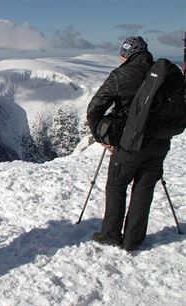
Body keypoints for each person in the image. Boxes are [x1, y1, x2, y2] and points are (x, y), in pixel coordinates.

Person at [87, 36, 172, 252]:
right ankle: (133, 241)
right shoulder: (164, 74)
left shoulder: (121, 75)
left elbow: (95, 108)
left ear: (127, 54)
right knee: (144, 189)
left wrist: (101, 137)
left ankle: (110, 235)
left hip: (129, 143)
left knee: (116, 185)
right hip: (159, 144)